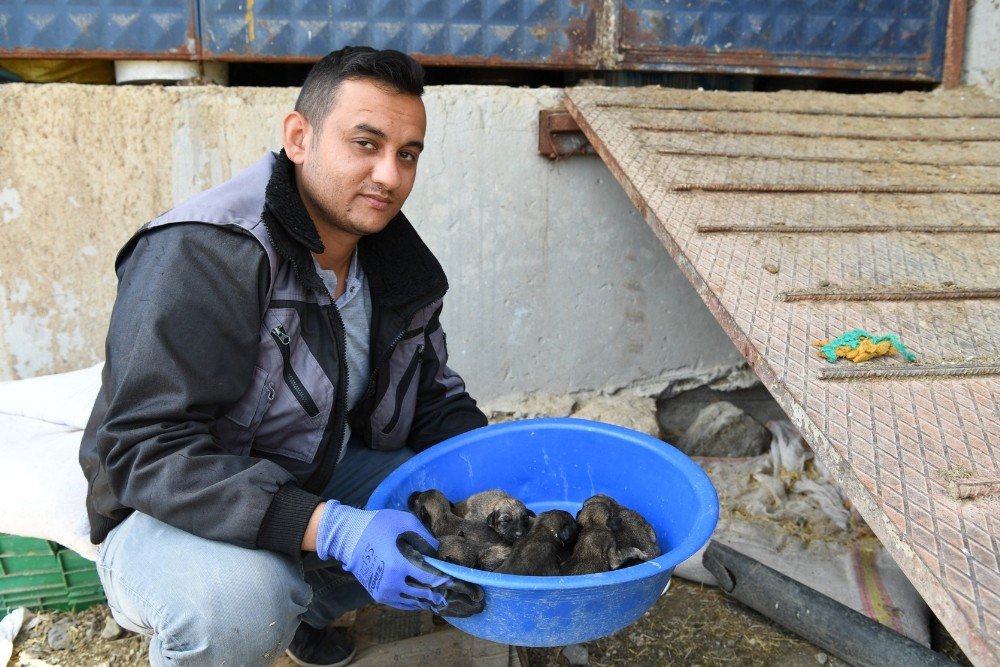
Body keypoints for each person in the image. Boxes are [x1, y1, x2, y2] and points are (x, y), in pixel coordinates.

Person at [79, 46, 488, 667]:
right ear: (299, 138)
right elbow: (142, 450)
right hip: (167, 506)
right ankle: (261, 608)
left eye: (407, 154)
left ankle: (307, 614)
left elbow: (432, 398)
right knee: (242, 603)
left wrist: (499, 480)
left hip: (303, 475)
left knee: (449, 508)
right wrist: (335, 529)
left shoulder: (396, 265)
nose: (389, 176)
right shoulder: (205, 251)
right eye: (366, 144)